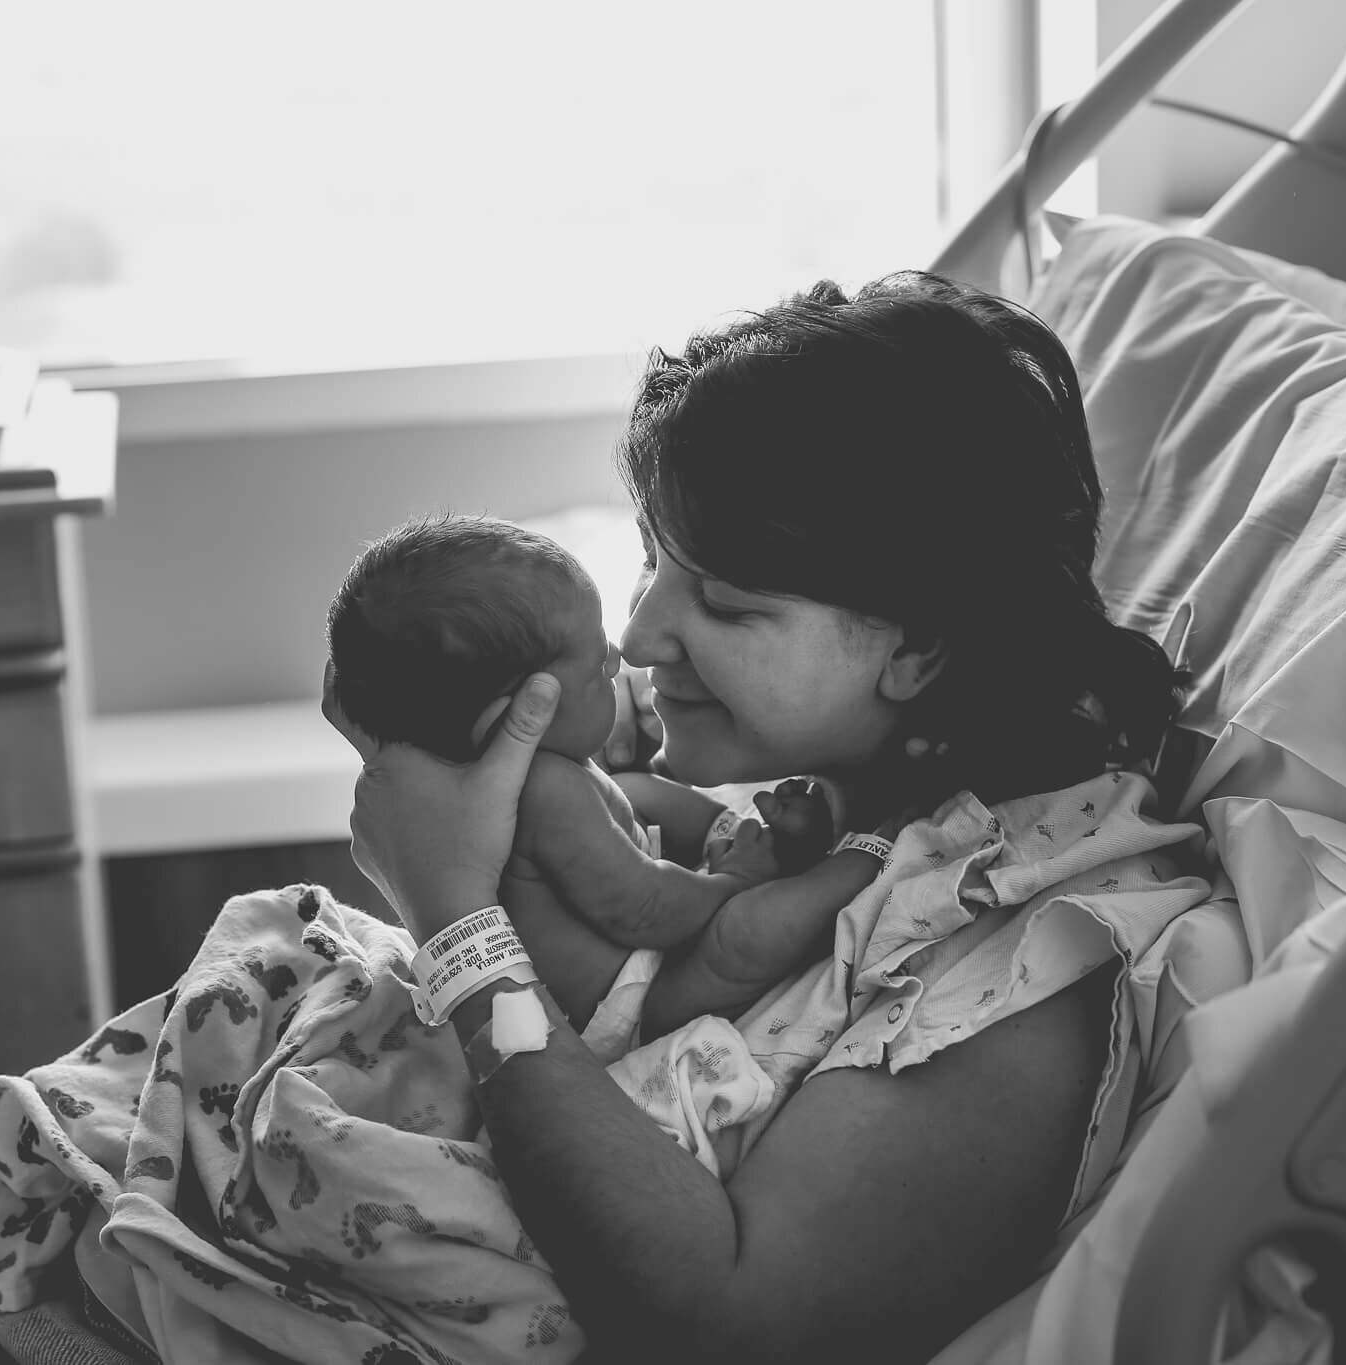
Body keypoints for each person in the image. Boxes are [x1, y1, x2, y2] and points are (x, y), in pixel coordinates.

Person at [324, 271, 1208, 1362]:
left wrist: (457, 926)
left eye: (728, 606)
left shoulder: (1017, 966)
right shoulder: (839, 805)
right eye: (650, 560)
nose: (641, 635)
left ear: (918, 647)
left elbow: (719, 1318)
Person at [325, 513, 888, 1042]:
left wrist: (724, 828)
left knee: (639, 791)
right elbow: (641, 906)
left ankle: (765, 843)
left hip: (633, 964)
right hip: (628, 1004)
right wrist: (734, 879)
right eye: (597, 666)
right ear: (523, 710)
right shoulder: (546, 790)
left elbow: (637, 800)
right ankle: (866, 860)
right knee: (744, 937)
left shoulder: (541, 776)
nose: (622, 656)